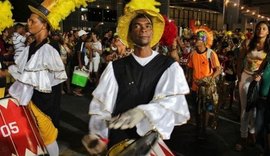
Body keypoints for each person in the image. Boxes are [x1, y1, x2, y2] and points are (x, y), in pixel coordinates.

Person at [81, 0, 190, 155]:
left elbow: (173, 104)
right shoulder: (115, 67)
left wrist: (144, 112)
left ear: (152, 32)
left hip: (151, 143)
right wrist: (97, 135)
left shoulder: (169, 66)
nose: (143, 30)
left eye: (147, 26)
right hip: (119, 143)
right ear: (130, 33)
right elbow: (101, 107)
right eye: (137, 26)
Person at [7, 0, 76, 155]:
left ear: (44, 25)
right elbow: (22, 71)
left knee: (47, 138)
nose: (28, 23)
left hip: (45, 104)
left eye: (32, 21)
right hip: (30, 100)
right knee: (34, 138)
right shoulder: (31, 46)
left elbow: (42, 80)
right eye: (28, 20)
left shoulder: (50, 48)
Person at [235, 21, 269, 151]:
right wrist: (239, 77)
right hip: (246, 77)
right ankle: (243, 137)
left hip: (261, 81)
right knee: (246, 109)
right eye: (259, 28)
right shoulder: (248, 43)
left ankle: (252, 133)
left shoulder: (269, 46)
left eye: (264, 28)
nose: (261, 30)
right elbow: (239, 60)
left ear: (268, 32)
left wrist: (261, 74)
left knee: (256, 111)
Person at [187, 28, 221, 139]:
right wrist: (189, 80)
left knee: (206, 109)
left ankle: (204, 129)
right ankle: (198, 127)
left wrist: (210, 78)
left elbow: (218, 69)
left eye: (197, 39)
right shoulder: (192, 54)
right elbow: (190, 68)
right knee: (196, 108)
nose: (195, 41)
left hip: (207, 88)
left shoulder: (211, 54)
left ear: (203, 41)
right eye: (195, 39)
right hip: (195, 87)